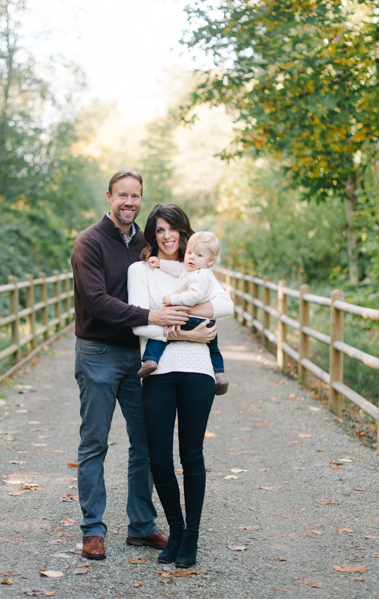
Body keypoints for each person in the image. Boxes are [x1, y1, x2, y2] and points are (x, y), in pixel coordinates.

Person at [70, 170, 191, 561]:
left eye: (135, 196)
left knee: (146, 442)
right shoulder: (89, 243)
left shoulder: (145, 241)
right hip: (99, 353)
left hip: (140, 357)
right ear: (109, 197)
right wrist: (150, 316)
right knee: (95, 443)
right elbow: (96, 301)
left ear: (141, 199)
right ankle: (93, 530)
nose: (129, 202)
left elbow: (178, 272)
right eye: (122, 195)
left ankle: (141, 525)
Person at [128, 204, 234, 569]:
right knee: (158, 458)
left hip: (197, 371)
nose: (167, 236)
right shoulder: (140, 270)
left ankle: (191, 538)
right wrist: (188, 331)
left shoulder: (200, 269)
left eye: (173, 229)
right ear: (152, 235)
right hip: (157, 372)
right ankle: (175, 530)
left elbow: (226, 306)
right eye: (159, 230)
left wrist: (176, 321)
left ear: (183, 232)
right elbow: (140, 324)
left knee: (191, 455)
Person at [138, 231, 229, 395]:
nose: (191, 258)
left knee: (163, 332)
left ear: (210, 261)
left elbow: (195, 296)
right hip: (208, 322)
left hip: (191, 318)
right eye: (189, 253)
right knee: (213, 349)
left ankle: (151, 360)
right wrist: (159, 263)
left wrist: (174, 300)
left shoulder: (201, 276)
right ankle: (220, 375)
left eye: (198, 255)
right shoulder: (191, 269)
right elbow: (176, 267)